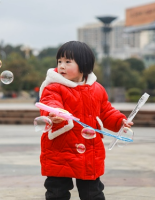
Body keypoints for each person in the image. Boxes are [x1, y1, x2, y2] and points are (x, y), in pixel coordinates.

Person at [38, 41, 133, 200]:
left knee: (93, 193)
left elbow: (106, 111)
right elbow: (49, 102)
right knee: (57, 192)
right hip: (60, 150)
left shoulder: (97, 89)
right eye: (59, 61)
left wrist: (120, 121)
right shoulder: (54, 87)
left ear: (84, 64)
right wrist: (55, 113)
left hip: (89, 151)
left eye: (68, 62)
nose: (61, 66)